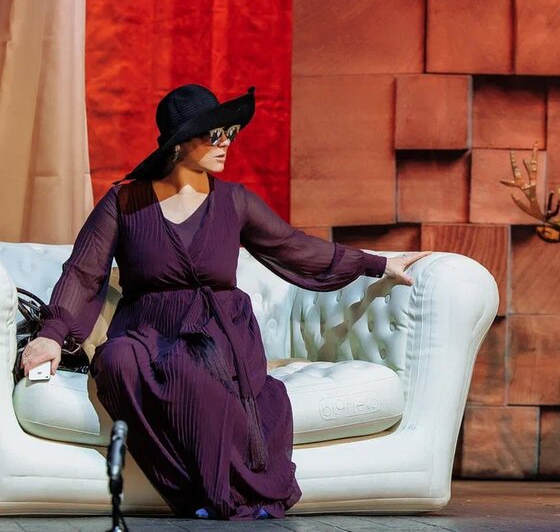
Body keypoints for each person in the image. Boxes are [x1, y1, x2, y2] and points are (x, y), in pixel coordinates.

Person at [18, 84, 428, 520]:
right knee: (116, 361)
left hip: (220, 332)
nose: (227, 141)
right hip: (147, 328)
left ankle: (222, 494)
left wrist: (377, 264)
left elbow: (293, 247)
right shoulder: (124, 201)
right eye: (214, 134)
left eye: (230, 132)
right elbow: (84, 272)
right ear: (180, 143)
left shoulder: (234, 201)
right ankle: (190, 489)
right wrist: (51, 335)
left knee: (190, 363)